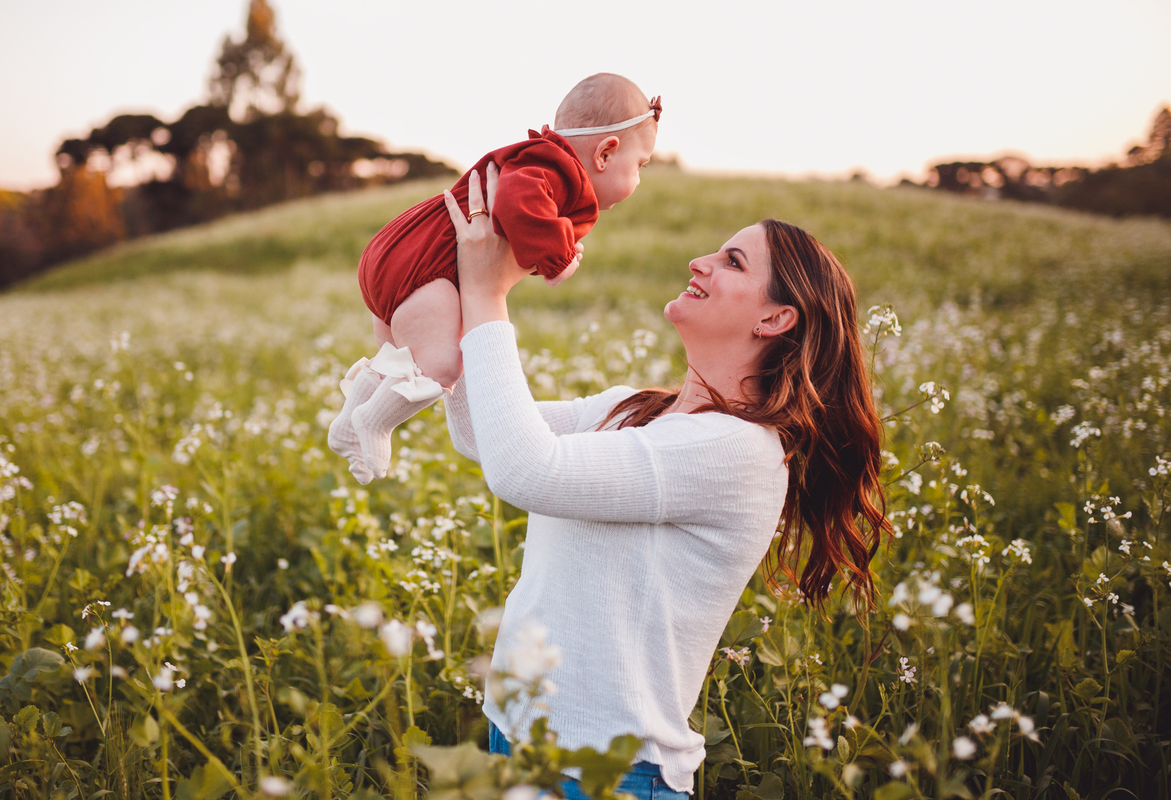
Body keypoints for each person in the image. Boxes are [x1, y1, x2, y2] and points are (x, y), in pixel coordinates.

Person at [439, 167, 890, 798]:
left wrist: (487, 294)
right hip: (513, 738)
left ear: (776, 319)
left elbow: (524, 472)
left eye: (732, 261)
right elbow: (483, 437)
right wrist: (434, 303)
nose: (699, 261)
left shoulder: (736, 450)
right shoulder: (637, 408)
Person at [328, 73, 661, 482]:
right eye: (641, 165)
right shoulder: (555, 169)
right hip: (426, 267)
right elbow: (519, 204)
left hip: (401, 256)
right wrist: (557, 259)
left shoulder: (540, 163)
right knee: (443, 364)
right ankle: (376, 422)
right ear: (606, 153)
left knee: (402, 360)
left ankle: (349, 421)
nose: (640, 178)